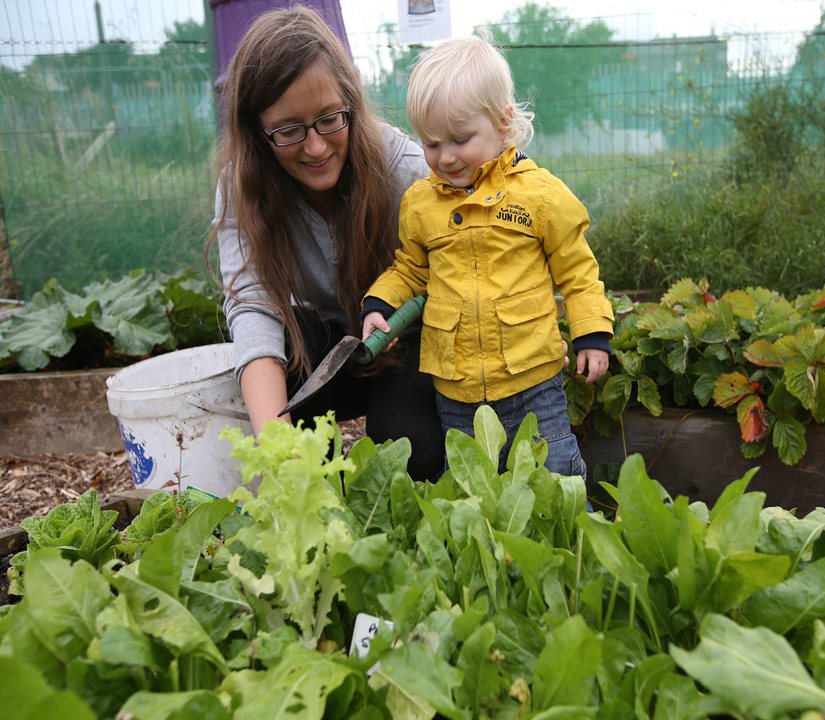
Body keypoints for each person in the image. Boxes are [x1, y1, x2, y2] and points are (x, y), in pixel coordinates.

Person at [207, 5, 444, 480]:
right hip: (322, 358)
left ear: (350, 102)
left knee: (406, 459)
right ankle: (319, 496)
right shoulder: (242, 188)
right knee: (284, 366)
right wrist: (279, 454)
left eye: (330, 119)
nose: (315, 147)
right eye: (290, 130)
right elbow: (253, 310)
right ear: (257, 131)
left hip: (403, 343)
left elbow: (485, 244)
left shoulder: (402, 168)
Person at [361, 35, 614, 477]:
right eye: (432, 143)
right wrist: (380, 303)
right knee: (473, 482)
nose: (446, 157)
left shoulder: (540, 195)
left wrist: (591, 333)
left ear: (503, 123)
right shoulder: (421, 205)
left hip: (531, 380)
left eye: (460, 139)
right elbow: (409, 269)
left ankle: (570, 539)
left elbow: (576, 271)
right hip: (455, 389)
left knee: (551, 472)